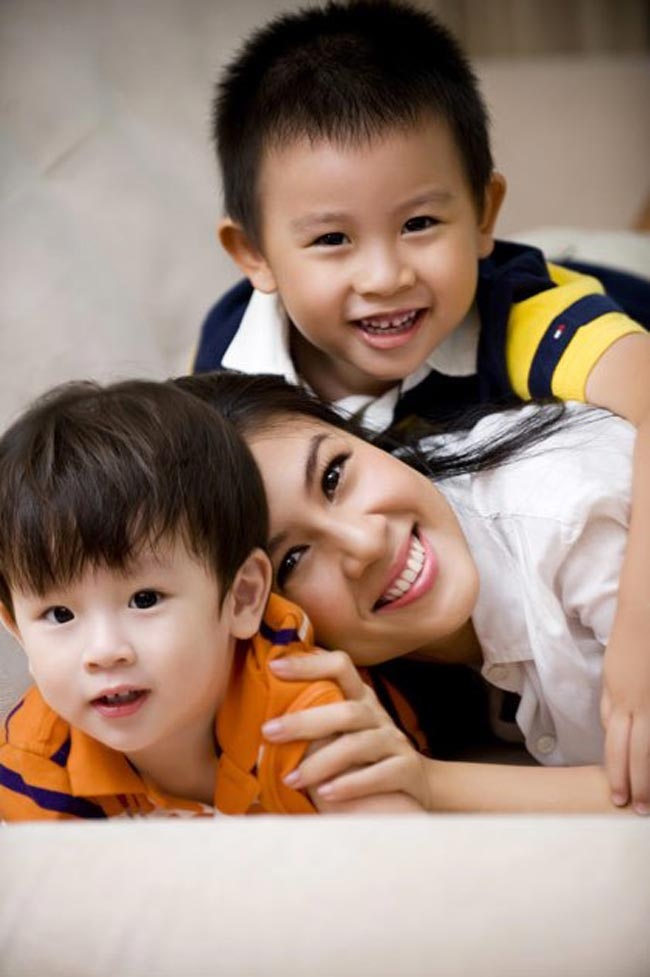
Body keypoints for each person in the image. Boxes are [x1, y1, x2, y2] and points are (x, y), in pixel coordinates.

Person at [192, 0, 650, 811]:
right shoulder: (231, 363)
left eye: (420, 223)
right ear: (253, 253)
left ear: (484, 213)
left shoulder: (520, 310)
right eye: (332, 239)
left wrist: (639, 637)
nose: (385, 277)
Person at [175, 370, 648, 815]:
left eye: (333, 477)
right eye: (293, 560)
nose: (365, 543)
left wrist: (430, 782)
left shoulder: (569, 519)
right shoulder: (383, 682)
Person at [0, 378, 419, 821]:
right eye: (59, 614)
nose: (103, 652)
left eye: (144, 599)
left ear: (243, 597)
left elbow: (394, 854)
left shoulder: (303, 714)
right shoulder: (36, 761)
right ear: (17, 630)